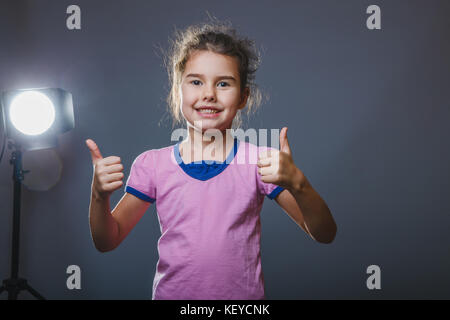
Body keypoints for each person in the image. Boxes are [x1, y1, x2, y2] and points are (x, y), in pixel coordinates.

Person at [86, 20, 337, 300]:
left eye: (223, 83)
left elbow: (325, 233)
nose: (208, 94)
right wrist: (98, 196)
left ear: (243, 97)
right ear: (178, 91)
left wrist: (299, 183)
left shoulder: (258, 162)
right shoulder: (152, 165)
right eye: (195, 81)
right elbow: (107, 241)